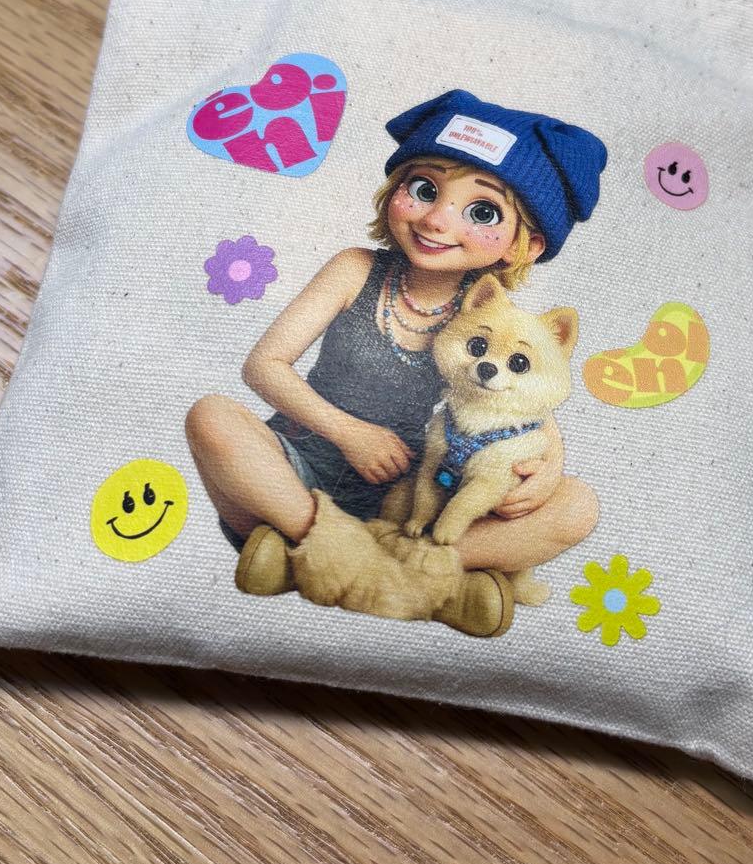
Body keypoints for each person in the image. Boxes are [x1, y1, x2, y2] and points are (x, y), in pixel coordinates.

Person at [186, 89, 607, 633]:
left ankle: (329, 561)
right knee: (211, 417)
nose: (437, 220)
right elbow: (263, 366)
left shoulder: (490, 314)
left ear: (523, 246)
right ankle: (416, 579)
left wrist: (548, 466)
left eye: (481, 211)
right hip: (298, 470)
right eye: (424, 189)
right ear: (395, 189)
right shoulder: (355, 270)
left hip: (413, 501)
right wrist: (349, 433)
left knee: (577, 505)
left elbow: (526, 406)